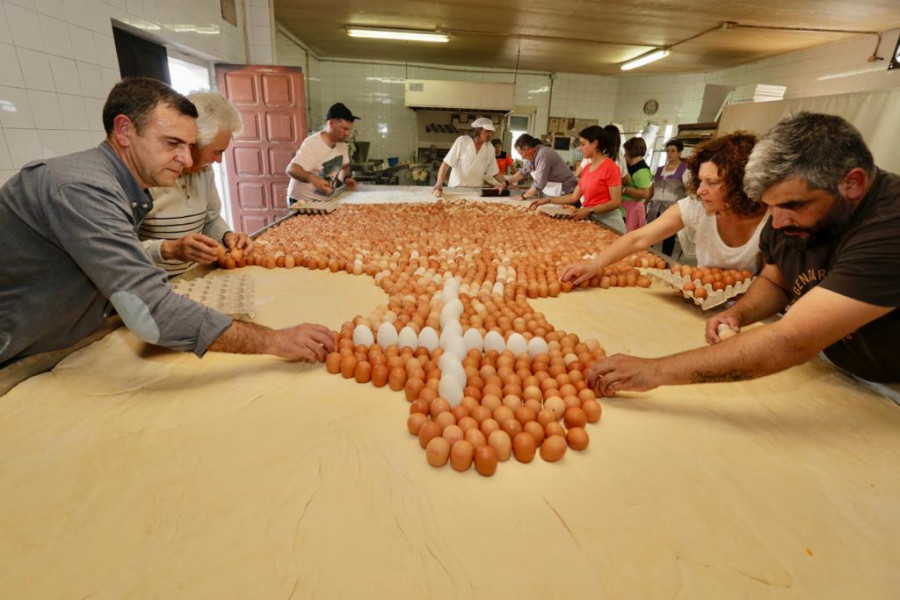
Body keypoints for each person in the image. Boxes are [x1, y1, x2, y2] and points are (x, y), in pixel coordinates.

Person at [0, 78, 335, 365]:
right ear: (124, 131)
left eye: (190, 147)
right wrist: (274, 341)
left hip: (62, 337)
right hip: (18, 349)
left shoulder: (123, 185)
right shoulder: (84, 190)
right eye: (172, 143)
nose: (188, 159)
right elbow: (151, 313)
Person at [587, 112, 899, 395]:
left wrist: (654, 370)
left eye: (791, 206)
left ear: (853, 183)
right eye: (770, 206)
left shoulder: (889, 226)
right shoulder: (787, 212)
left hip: (890, 391)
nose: (775, 222)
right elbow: (776, 281)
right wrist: (740, 313)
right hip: (838, 370)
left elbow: (792, 340)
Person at [561, 132, 766, 285]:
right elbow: (638, 238)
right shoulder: (696, 208)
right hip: (706, 302)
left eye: (711, 182)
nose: (701, 190)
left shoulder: (769, 223)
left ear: (740, 184)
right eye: (701, 181)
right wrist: (594, 265)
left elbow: (773, 285)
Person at [141, 92, 253, 277]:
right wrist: (169, 249)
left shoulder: (204, 171)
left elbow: (211, 219)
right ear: (191, 143)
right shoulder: (148, 176)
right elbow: (120, 249)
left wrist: (227, 236)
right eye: (216, 152)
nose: (218, 160)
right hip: (156, 283)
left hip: (194, 276)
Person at [529, 126, 625, 233]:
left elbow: (616, 202)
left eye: (583, 144)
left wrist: (589, 210)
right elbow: (573, 197)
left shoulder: (611, 168)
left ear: (595, 144)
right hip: (592, 220)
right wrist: (548, 200)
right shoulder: (588, 168)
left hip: (609, 223)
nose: (580, 148)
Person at [286, 102, 359, 205]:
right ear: (331, 123)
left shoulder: (342, 144)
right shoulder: (313, 143)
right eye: (344, 129)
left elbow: (343, 167)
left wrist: (346, 179)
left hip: (324, 203)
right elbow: (291, 169)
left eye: (349, 129)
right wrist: (312, 178)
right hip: (302, 202)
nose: (347, 133)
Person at [432, 117, 501, 196]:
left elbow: (495, 172)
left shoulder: (490, 148)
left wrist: (507, 183)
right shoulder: (462, 141)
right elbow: (445, 165)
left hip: (476, 192)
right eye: (487, 131)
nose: (490, 134)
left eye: (491, 132)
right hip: (456, 190)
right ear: (478, 130)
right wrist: (439, 183)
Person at [500, 134, 579, 200]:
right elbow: (522, 173)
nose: (522, 157)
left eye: (521, 153)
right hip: (554, 189)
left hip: (566, 189)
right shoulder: (532, 156)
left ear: (529, 149)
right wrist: (506, 182)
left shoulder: (543, 154)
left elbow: (539, 183)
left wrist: (523, 196)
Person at [647, 138, 690, 255]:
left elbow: (689, 191)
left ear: (679, 152)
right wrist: (645, 202)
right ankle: (647, 256)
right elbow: (652, 189)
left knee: (668, 237)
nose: (669, 154)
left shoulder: (685, 170)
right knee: (650, 234)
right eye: (668, 151)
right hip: (655, 207)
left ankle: (665, 262)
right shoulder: (660, 169)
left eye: (673, 151)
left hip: (672, 208)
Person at [620, 137, 654, 231]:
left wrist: (622, 189)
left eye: (626, 152)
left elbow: (644, 193)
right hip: (624, 209)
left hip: (632, 210)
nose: (624, 156)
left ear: (631, 152)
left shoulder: (641, 170)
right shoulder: (631, 167)